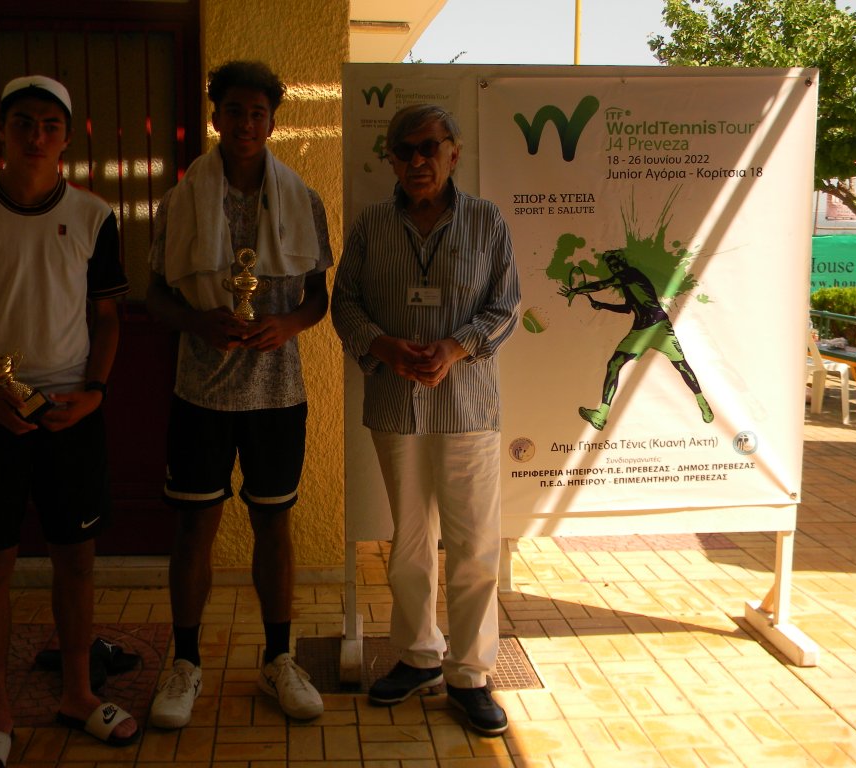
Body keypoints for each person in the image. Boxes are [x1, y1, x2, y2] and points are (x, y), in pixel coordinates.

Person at [0, 75, 138, 768]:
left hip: (71, 414)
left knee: (76, 562)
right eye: (23, 122)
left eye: (50, 124)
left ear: (68, 136)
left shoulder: (95, 215)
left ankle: (77, 692)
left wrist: (95, 391)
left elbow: (108, 316)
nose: (36, 135)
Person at [146, 60, 331, 727]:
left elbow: (318, 297)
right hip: (200, 391)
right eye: (234, 111)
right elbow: (155, 295)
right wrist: (199, 323)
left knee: (273, 522)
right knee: (195, 524)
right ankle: (185, 662)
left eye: (258, 113)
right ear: (215, 117)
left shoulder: (304, 199)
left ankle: (279, 659)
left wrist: (289, 324)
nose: (246, 123)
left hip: (278, 394)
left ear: (272, 122)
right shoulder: (180, 200)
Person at [331, 104, 521, 737]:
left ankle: (469, 674)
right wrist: (383, 347)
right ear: (389, 158)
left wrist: (455, 348)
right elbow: (344, 302)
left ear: (453, 153)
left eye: (429, 148)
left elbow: (506, 306)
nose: (418, 161)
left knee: (473, 545)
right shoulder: (369, 226)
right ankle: (418, 656)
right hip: (395, 404)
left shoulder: (487, 221)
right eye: (404, 150)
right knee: (409, 542)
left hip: (467, 408)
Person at [561, 248, 714, 430]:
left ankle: (702, 402)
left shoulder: (631, 273)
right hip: (639, 330)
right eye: (610, 265)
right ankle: (601, 415)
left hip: (659, 327)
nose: (613, 267)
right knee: (614, 364)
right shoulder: (626, 282)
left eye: (615, 263)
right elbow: (628, 308)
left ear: (623, 261)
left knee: (681, 365)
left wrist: (576, 290)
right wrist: (602, 305)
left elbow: (602, 285)